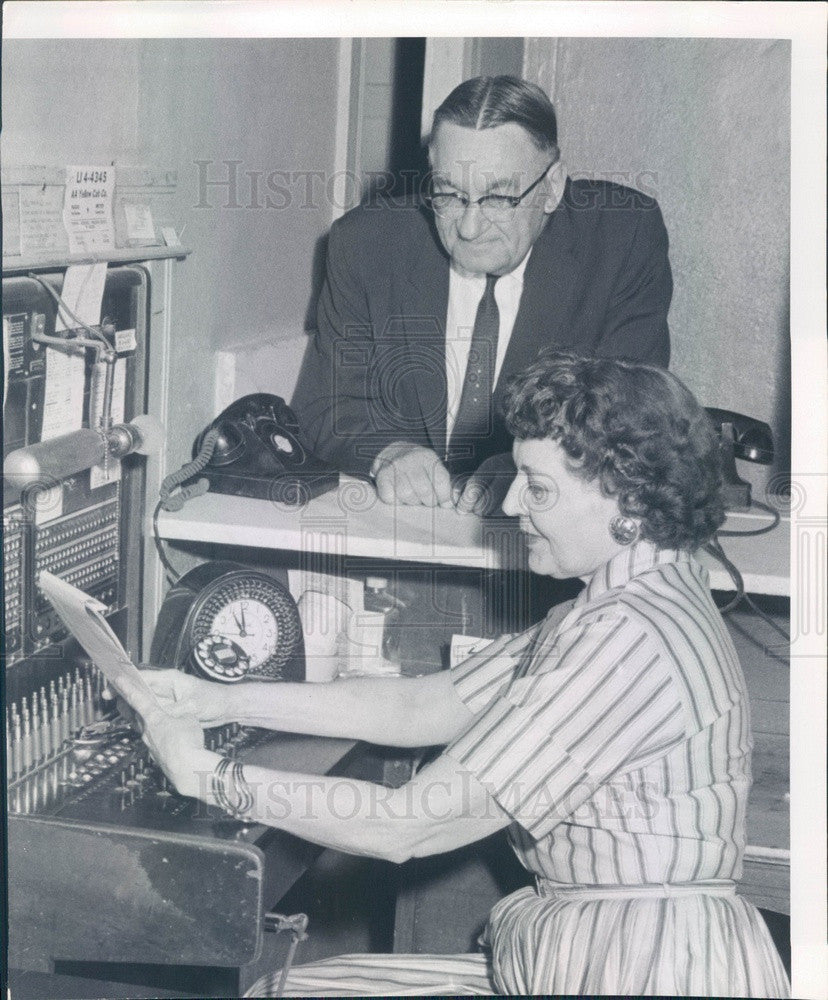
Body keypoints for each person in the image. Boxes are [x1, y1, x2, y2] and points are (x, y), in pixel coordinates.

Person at [139, 352, 789, 997]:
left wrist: (208, 776)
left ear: (628, 503)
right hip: (602, 945)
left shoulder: (623, 640)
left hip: (641, 965)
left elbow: (406, 824)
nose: (508, 503)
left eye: (537, 488)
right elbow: (427, 706)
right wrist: (217, 699)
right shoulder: (629, 600)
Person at [292, 75, 673, 510]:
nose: (469, 229)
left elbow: (634, 413)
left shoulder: (622, 239)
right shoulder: (366, 243)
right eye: (449, 194)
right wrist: (388, 452)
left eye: (497, 199)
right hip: (404, 526)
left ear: (551, 188)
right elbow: (323, 407)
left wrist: (531, 463)